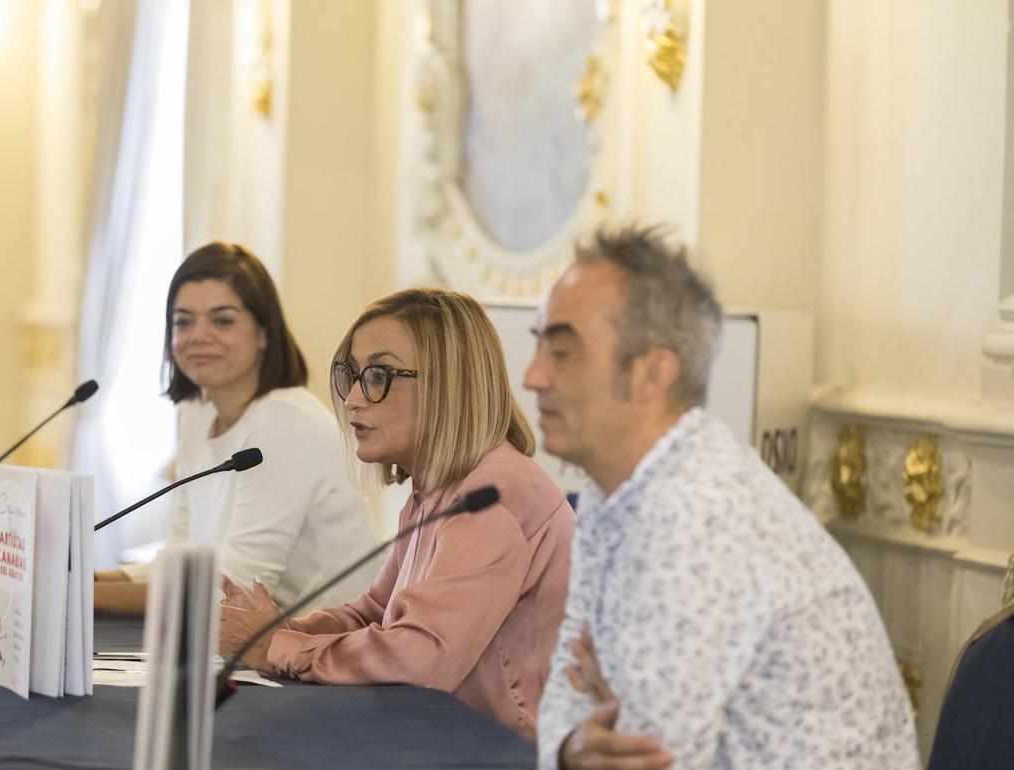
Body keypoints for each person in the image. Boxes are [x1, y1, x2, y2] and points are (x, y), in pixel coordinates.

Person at [527, 225, 919, 769]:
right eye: (538, 345)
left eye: (563, 352)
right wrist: (571, 748)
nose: (532, 375)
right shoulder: (612, 487)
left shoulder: (698, 514)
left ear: (651, 374)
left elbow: (647, 757)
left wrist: (610, 692)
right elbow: (572, 672)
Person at [218, 287, 576, 740]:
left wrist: (275, 648)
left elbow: (419, 659)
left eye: (379, 375)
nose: (352, 400)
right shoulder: (440, 490)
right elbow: (377, 613)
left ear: (451, 383)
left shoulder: (493, 499)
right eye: (352, 375)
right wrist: (280, 630)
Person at [94, 242, 379, 615]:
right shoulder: (195, 413)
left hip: (324, 650)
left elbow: (237, 591)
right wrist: (85, 579)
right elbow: (181, 561)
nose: (198, 335)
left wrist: (76, 594)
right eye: (183, 321)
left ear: (264, 333)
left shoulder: (286, 422)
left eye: (222, 320)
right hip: (250, 647)